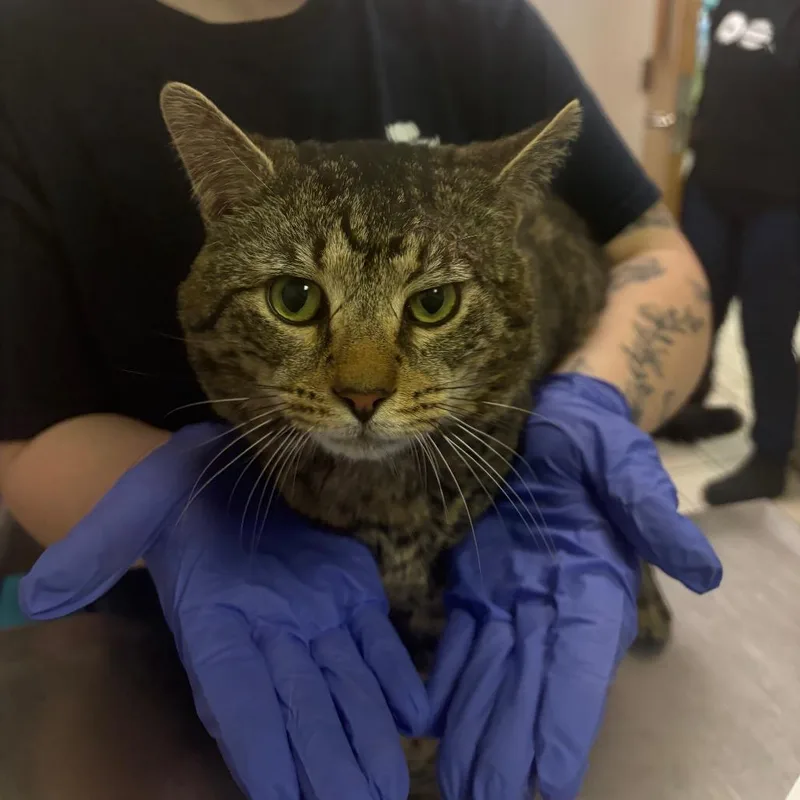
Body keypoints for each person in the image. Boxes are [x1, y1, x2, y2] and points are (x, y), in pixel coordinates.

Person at [0, 1, 722, 798]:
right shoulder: (23, 51)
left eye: (432, 306)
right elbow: (20, 430)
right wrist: (199, 516)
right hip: (160, 648)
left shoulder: (471, 18)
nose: (364, 384)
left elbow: (656, 255)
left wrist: (592, 403)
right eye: (299, 300)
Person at [664, 0, 800, 504]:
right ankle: (685, 406)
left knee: (765, 330)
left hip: (785, 203)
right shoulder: (725, 10)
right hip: (711, 189)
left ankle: (770, 456)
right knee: (699, 311)